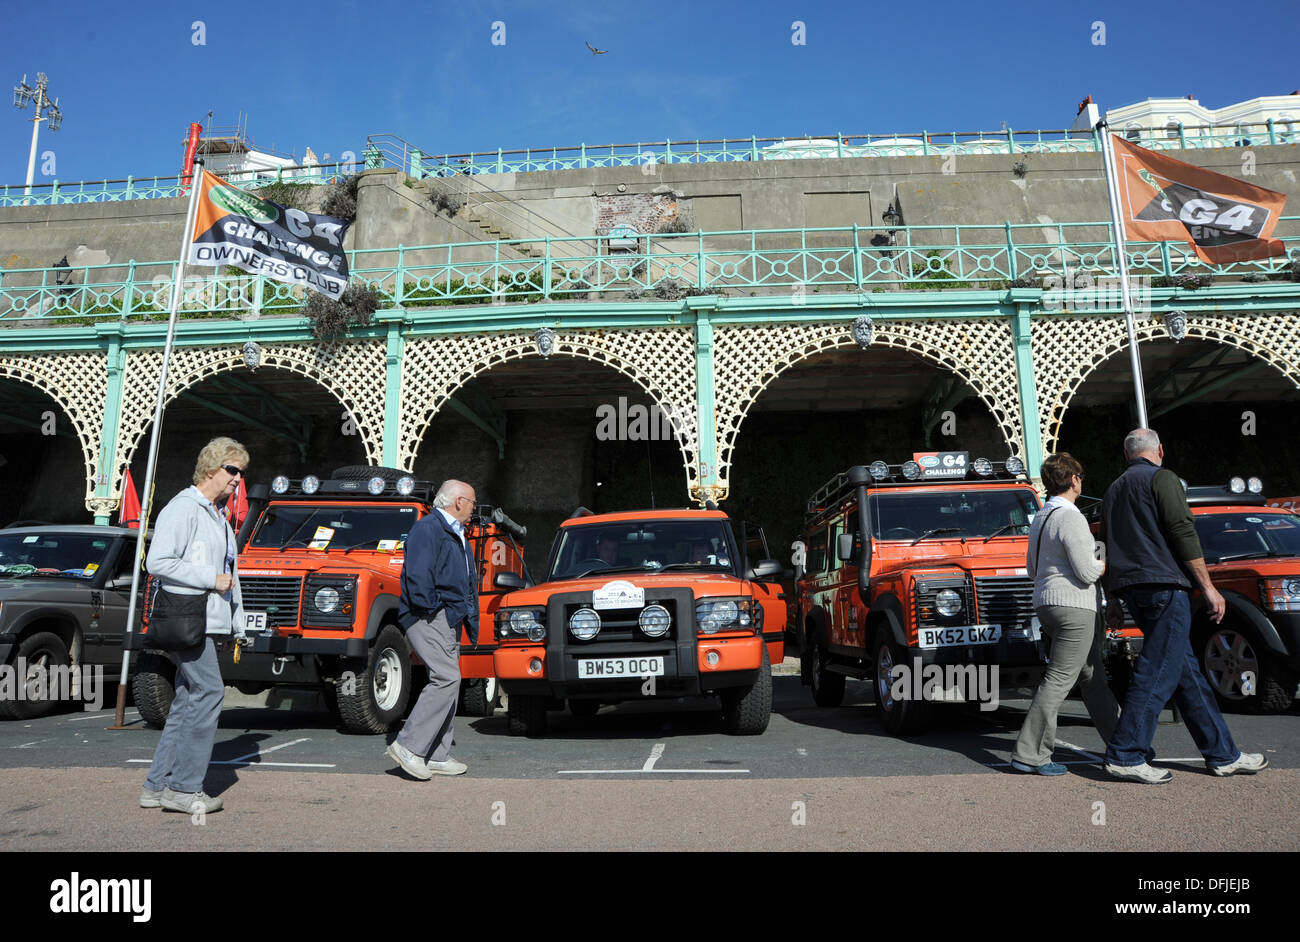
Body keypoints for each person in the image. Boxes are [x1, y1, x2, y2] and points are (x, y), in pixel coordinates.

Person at [1099, 428, 1268, 784]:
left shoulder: (1113, 490)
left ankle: (1223, 755)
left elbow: (1106, 545)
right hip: (1165, 585)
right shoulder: (1163, 478)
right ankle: (1126, 754)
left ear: (1127, 454)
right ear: (1159, 449)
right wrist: (1208, 587)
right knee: (1157, 670)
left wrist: (1112, 596)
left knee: (1186, 675)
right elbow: (1182, 530)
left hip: (1133, 589)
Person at [140, 437, 249, 814]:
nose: (238, 478)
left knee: (188, 701)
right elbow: (158, 561)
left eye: (241, 472)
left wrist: (237, 622)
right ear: (211, 469)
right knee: (208, 693)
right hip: (188, 619)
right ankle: (183, 789)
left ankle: (157, 787)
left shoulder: (215, 514)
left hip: (206, 621)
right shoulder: (183, 508)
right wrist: (209, 578)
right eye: (232, 470)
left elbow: (230, 575)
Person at [1010, 453, 1120, 775]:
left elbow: (1032, 568)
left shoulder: (1041, 518)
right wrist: (1106, 564)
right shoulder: (1072, 517)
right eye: (1080, 475)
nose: (1081, 480)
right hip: (1075, 607)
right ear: (1073, 480)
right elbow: (1087, 572)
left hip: (1047, 603)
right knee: (1059, 679)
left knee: (1092, 677)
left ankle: (1123, 743)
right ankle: (1029, 754)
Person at [387, 479, 478, 779]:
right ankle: (408, 746)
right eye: (473, 502)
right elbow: (418, 574)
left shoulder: (454, 530)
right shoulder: (429, 528)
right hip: (428, 615)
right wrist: (434, 608)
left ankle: (437, 754)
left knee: (449, 679)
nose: (474, 508)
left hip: (445, 616)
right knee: (447, 678)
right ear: (459, 501)